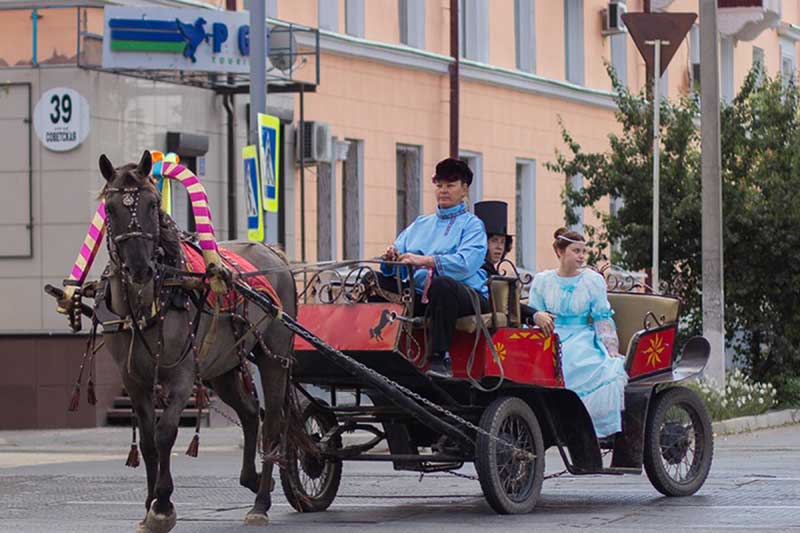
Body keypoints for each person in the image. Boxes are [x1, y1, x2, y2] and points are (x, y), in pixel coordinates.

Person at [379, 158, 489, 378]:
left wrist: (425, 261)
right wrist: (391, 257)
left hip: (466, 296)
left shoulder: (472, 225)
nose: (443, 191)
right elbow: (400, 260)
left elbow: (466, 264)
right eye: (439, 185)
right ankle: (377, 351)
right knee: (372, 280)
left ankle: (440, 358)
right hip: (421, 296)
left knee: (442, 285)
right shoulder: (421, 223)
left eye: (450, 185)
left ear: (464, 189)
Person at [528, 228, 628, 438]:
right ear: (560, 252)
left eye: (584, 251)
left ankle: (582, 426)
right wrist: (538, 316)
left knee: (578, 361)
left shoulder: (592, 281)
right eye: (576, 251)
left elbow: (602, 317)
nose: (582, 256)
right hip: (550, 335)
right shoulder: (543, 280)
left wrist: (611, 348)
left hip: (581, 335)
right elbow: (533, 312)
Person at [473, 200, 535, 323]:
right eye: (494, 241)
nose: (499, 247)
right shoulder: (480, 269)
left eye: (502, 242)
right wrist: (534, 314)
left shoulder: (492, 269)